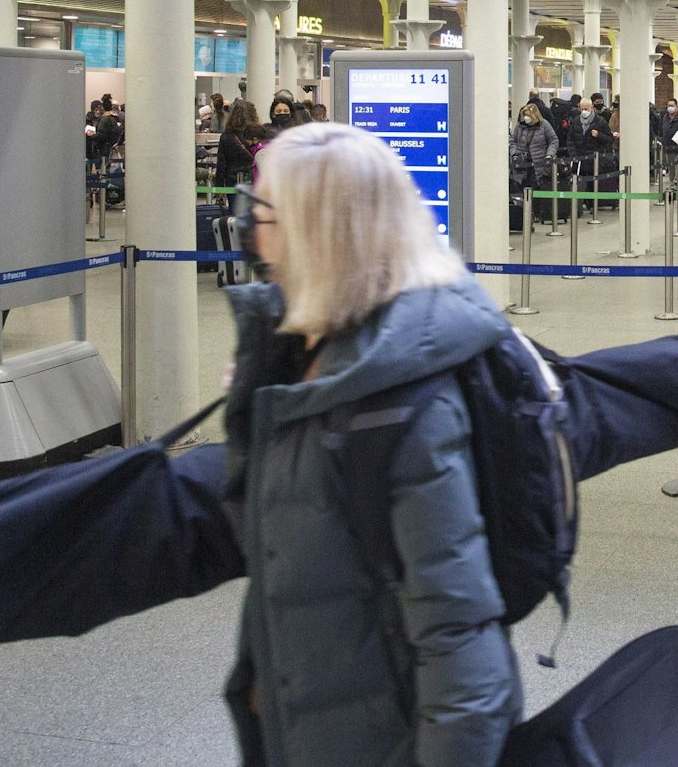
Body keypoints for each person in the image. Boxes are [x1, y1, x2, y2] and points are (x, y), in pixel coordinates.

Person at [222, 123, 520, 766]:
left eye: (263, 211)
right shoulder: (305, 359)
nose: (249, 228)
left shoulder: (404, 406)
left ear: (313, 231)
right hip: (306, 718)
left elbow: (458, 638)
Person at [215, 100, 266, 200]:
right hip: (254, 180)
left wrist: (219, 188)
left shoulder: (226, 136)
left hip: (233, 182)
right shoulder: (259, 135)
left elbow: (221, 164)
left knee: (235, 213)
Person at [509, 102, 558, 191]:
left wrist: (549, 154)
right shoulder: (519, 126)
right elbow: (513, 141)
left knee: (537, 192)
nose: (526, 118)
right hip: (522, 165)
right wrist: (514, 152)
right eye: (524, 115)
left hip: (539, 164)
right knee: (522, 191)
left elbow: (553, 140)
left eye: (528, 115)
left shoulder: (544, 125)